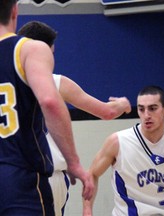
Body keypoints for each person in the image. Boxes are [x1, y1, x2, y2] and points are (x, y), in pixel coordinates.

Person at [17, 20, 132, 216]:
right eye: (51, 54)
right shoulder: (57, 82)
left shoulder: (6, 84)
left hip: (12, 176)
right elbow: (107, 112)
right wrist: (122, 103)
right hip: (48, 177)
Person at [0, 1, 93, 215]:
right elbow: (50, 101)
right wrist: (74, 162)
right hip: (19, 174)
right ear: (15, 10)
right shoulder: (28, 49)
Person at [83, 85, 164, 216]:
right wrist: (87, 210)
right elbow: (92, 174)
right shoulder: (118, 142)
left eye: (152, 108)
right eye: (141, 109)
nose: (146, 115)